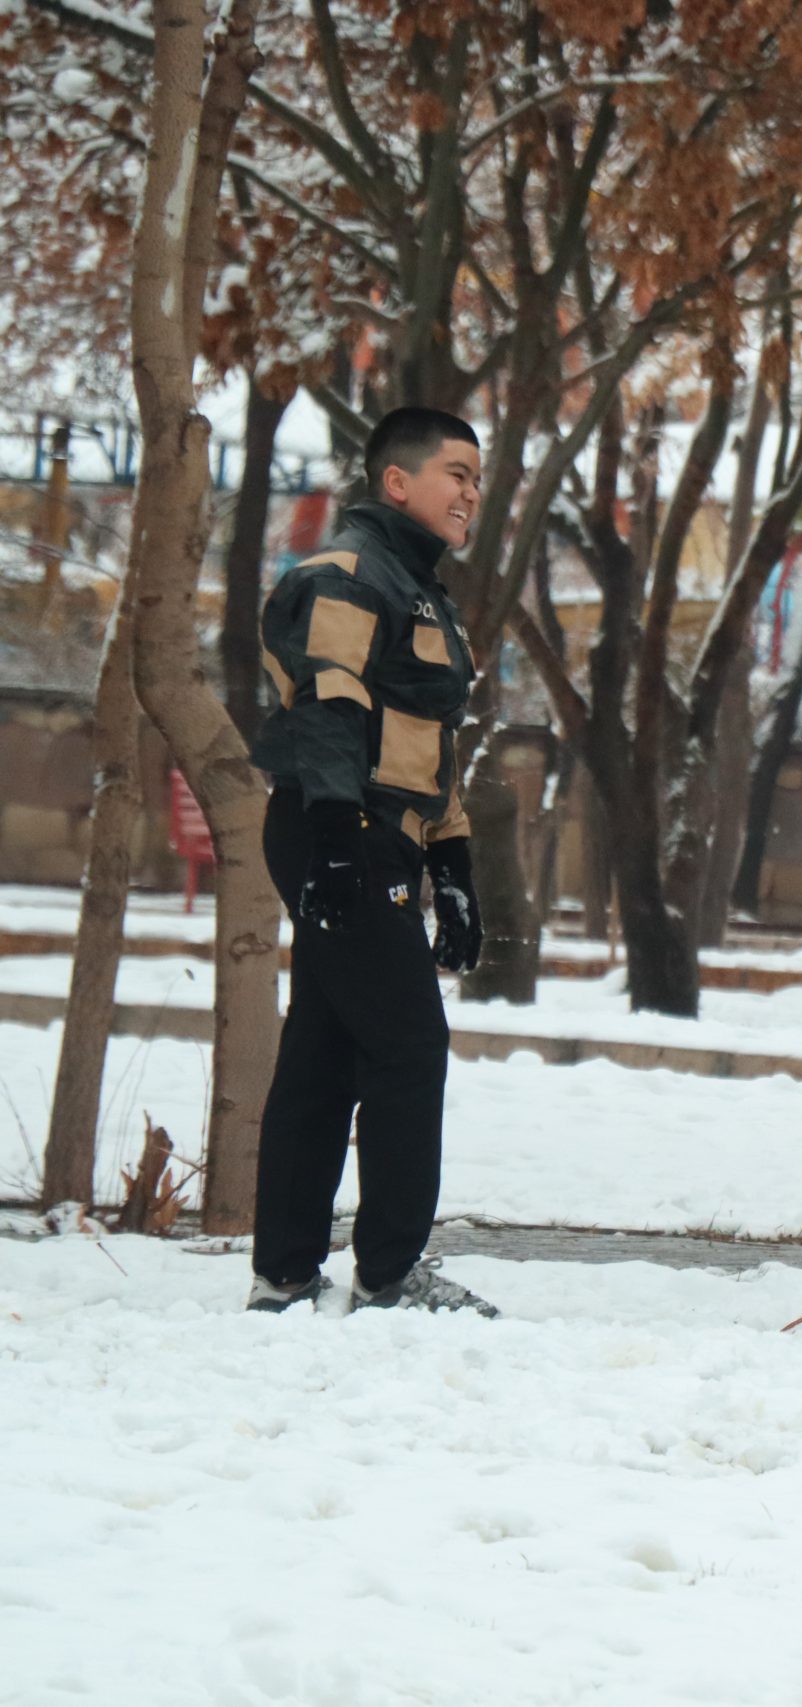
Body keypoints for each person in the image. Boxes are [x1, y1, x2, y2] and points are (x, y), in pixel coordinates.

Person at [245, 406, 494, 1317]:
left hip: (381, 832)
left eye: (477, 478)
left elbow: (427, 740)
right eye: (456, 473)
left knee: (326, 1046)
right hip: (337, 826)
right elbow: (328, 705)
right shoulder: (346, 575)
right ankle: (389, 1273)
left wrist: (454, 865)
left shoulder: (419, 590)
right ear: (397, 481)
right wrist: (338, 835)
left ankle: (284, 1276)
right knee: (408, 1042)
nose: (471, 492)